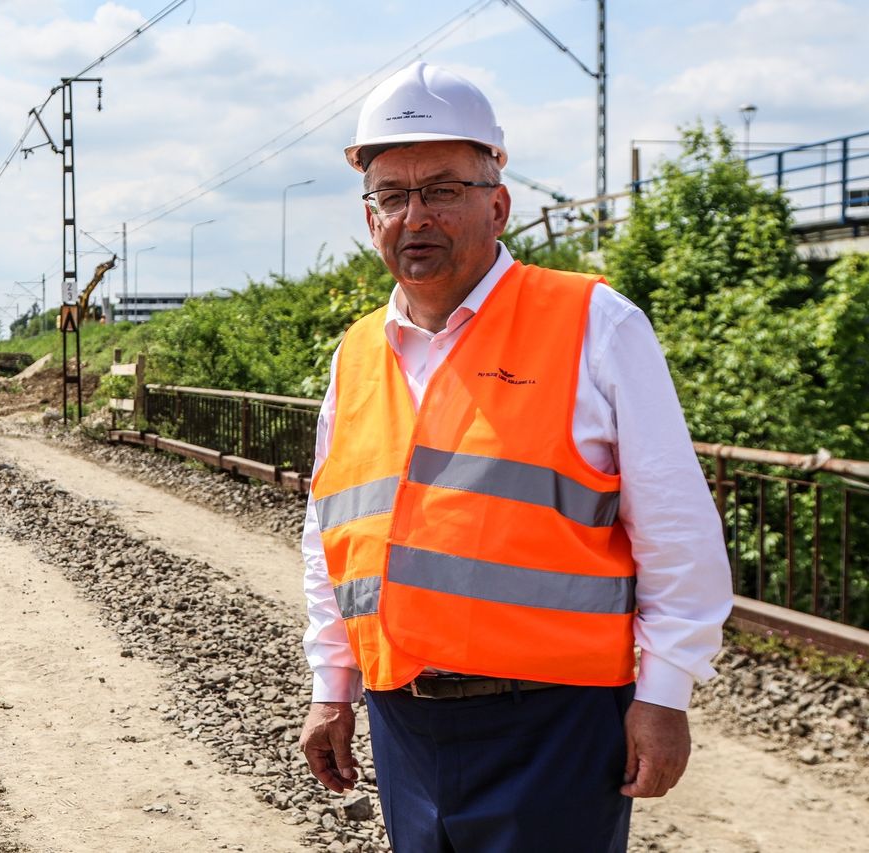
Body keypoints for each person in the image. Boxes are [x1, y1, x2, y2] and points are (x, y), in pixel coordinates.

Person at [298, 61, 733, 852]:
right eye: (392, 194)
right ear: (370, 218)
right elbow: (330, 535)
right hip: (403, 721)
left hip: (555, 723)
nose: (415, 215)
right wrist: (334, 684)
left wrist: (665, 692)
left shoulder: (595, 322)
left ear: (496, 203)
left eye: (442, 189)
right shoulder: (356, 353)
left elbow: (677, 529)